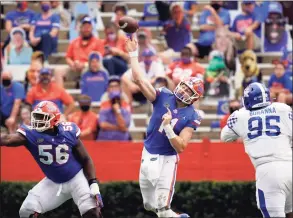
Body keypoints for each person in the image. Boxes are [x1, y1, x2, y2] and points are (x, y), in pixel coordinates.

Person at [126, 37, 204, 217]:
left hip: (167, 159)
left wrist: (168, 128)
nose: (183, 91)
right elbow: (139, 80)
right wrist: (133, 54)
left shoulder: (192, 116)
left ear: (194, 98)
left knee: (162, 210)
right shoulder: (164, 95)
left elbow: (182, 146)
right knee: (148, 205)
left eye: (188, 92)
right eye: (183, 87)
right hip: (148, 152)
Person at [0, 101, 104, 218]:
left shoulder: (68, 131)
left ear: (54, 119)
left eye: (42, 117)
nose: (37, 121)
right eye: (36, 116)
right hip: (53, 181)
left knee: (91, 212)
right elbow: (7, 139)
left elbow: (85, 159)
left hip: (77, 178)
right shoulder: (31, 134)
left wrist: (93, 184)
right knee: (27, 210)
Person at [221, 82, 292, 218]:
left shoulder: (240, 115)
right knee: (290, 211)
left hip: (267, 170)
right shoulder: (283, 108)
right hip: (289, 164)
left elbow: (224, 137)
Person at [97, 76, 131, 141]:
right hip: (105, 138)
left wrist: (117, 111)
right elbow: (103, 125)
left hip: (121, 139)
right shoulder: (104, 102)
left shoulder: (125, 104)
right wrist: (118, 128)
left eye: (116, 86)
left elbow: (124, 126)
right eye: (111, 86)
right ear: (108, 88)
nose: (114, 88)